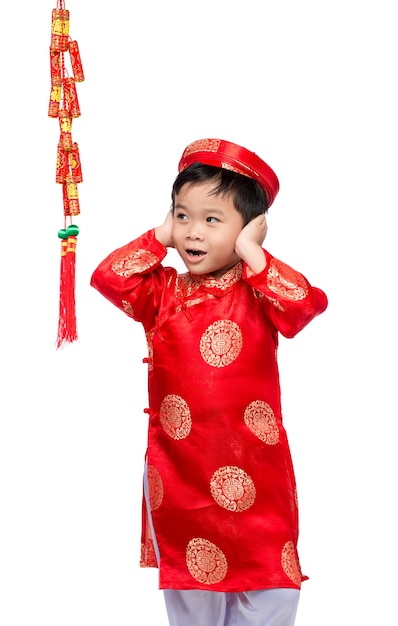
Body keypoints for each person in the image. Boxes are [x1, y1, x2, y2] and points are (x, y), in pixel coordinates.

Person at [90, 138, 328, 626]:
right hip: (179, 472)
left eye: (212, 220)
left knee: (271, 586)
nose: (193, 233)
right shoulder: (162, 293)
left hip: (255, 470)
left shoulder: (258, 290)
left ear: (249, 229)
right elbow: (109, 277)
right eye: (183, 217)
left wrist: (251, 254)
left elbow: (305, 306)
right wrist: (160, 236)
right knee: (192, 590)